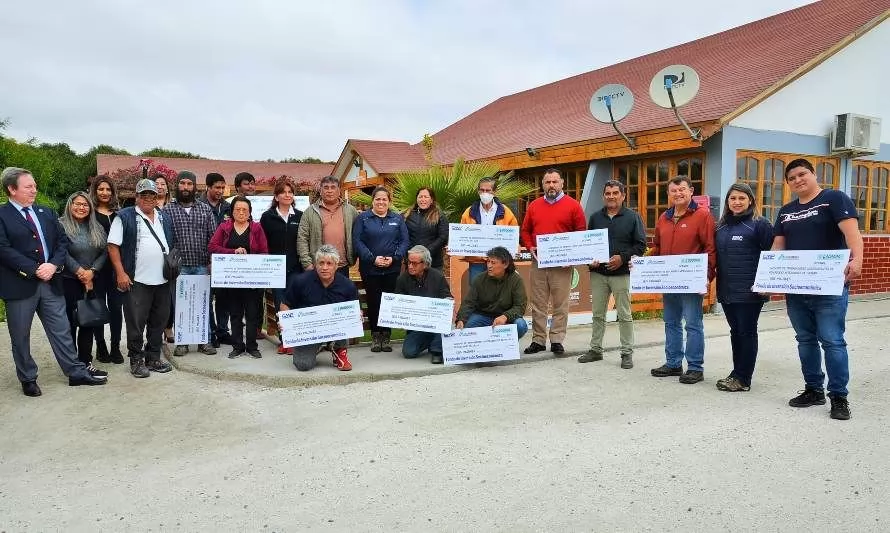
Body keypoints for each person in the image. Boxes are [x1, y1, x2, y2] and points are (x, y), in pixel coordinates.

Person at [0, 167, 108, 396]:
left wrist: (53, 265)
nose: (34, 190)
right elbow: (3, 249)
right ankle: (28, 377)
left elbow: (61, 242)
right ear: (12, 189)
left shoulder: (46, 212)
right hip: (20, 286)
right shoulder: (2, 215)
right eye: (29, 186)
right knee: (20, 336)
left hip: (51, 283)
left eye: (35, 186)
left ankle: (75, 372)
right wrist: (34, 268)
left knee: (61, 330)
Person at [773, 158, 863, 420]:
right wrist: (768, 276)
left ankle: (839, 397)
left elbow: (852, 234)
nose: (798, 180)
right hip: (796, 288)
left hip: (829, 285)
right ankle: (813, 389)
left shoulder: (833, 198)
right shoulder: (786, 210)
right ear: (788, 184)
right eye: (792, 178)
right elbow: (778, 247)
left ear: (813, 174)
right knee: (805, 340)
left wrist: (857, 259)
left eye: (802, 174)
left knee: (832, 340)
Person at [648, 175, 716, 384]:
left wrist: (707, 275)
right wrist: (643, 264)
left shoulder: (702, 215)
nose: (678, 193)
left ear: (691, 191)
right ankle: (673, 363)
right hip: (669, 281)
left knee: (693, 324)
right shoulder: (663, 218)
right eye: (674, 191)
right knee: (671, 322)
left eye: (682, 190)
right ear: (669, 194)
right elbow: (657, 248)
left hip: (691, 282)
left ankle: (695, 367)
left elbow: (710, 248)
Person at [107, 178, 175, 378]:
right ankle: (136, 359)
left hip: (162, 280)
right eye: (143, 195)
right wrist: (120, 272)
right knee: (136, 322)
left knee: (159, 320)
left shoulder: (164, 217)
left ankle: (153, 357)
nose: (147, 199)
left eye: (151, 195)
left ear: (156, 198)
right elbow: (112, 246)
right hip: (137, 280)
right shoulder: (125, 217)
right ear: (136, 197)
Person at [578, 180, 647, 369]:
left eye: (615, 193)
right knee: (598, 314)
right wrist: (589, 259)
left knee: (624, 314)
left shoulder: (633, 217)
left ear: (623, 196)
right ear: (603, 196)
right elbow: (588, 244)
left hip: (621, 273)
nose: (611, 196)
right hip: (598, 274)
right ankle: (595, 350)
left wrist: (622, 258)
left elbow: (641, 245)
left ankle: (626, 353)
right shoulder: (595, 218)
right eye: (608, 193)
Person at [520, 169, 586, 356]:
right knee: (538, 303)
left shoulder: (573, 206)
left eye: (554, 182)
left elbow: (580, 232)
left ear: (562, 183)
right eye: (547, 182)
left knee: (560, 304)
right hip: (539, 262)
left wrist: (572, 257)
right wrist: (530, 246)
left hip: (563, 265)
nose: (551, 185)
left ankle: (557, 340)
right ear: (543, 185)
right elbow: (525, 230)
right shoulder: (534, 206)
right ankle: (538, 340)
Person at [714, 183, 774, 392]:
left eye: (741, 198)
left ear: (750, 200)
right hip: (727, 290)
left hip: (751, 292)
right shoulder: (720, 226)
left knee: (746, 332)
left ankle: (743, 378)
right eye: (733, 198)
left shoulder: (760, 224)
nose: (737, 202)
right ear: (727, 202)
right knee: (735, 331)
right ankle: (736, 373)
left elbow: (771, 257)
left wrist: (767, 285)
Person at [163, 171, 217, 356]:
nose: (185, 187)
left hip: (202, 265)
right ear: (177, 185)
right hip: (179, 268)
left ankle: (205, 341)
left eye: (189, 184)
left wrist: (211, 261)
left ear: (195, 187)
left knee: (204, 305)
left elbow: (213, 238)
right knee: (181, 306)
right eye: (182, 183)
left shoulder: (205, 209)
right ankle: (183, 342)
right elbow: (165, 241)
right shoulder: (168, 211)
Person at [209, 196, 269, 359]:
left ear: (250, 212)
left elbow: (264, 252)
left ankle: (251, 346)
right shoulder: (224, 227)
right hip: (232, 279)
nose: (241, 212)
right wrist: (233, 252)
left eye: (245, 210)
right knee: (235, 314)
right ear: (232, 211)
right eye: (238, 209)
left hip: (252, 280)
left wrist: (250, 258)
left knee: (252, 314)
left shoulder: (256, 228)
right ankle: (237, 346)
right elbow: (212, 247)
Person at [281, 245, 357, 372]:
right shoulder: (300, 281)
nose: (325, 267)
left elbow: (354, 311)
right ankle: (317, 346)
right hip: (308, 332)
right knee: (303, 365)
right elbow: (285, 305)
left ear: (336, 265)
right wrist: (285, 322)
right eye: (321, 263)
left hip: (335, 330)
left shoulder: (347, 286)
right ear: (316, 264)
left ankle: (338, 349)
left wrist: (357, 315)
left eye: (329, 263)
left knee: (345, 318)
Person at [353, 186, 409, 353]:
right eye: (378, 199)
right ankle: (376, 336)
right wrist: (372, 258)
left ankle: (387, 336)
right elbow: (357, 241)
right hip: (370, 268)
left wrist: (395, 257)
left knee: (388, 302)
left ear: (389, 201)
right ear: (373, 201)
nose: (381, 202)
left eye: (384, 199)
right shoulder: (363, 218)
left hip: (392, 268)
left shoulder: (397, 219)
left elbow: (404, 241)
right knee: (373, 301)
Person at [59, 192, 109, 372]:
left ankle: (86, 361)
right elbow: (61, 251)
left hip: (91, 281)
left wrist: (92, 271)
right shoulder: (61, 225)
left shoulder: (96, 226)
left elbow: (105, 251)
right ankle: (71, 363)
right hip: (69, 281)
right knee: (70, 323)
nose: (81, 208)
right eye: (77, 204)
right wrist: (79, 271)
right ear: (70, 205)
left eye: (85, 205)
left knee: (88, 321)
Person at [260, 177, 304, 355]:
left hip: (295, 267)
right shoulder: (267, 217)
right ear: (276, 196)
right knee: (280, 304)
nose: (287, 195)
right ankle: (284, 340)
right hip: (275, 269)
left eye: (290, 192)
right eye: (283, 192)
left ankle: (295, 339)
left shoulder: (301, 216)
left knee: (293, 302)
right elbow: (263, 243)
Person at [395, 245, 453, 364]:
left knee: (444, 324)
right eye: (408, 262)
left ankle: (437, 350)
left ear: (425, 264)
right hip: (417, 325)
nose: (410, 266)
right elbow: (398, 304)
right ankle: (430, 339)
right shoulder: (402, 279)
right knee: (408, 352)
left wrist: (448, 302)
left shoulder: (437, 277)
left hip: (436, 323)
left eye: (414, 263)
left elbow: (448, 297)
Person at [455, 246, 528, 340]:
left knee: (520, 325)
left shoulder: (516, 280)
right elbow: (469, 302)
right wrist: (461, 319)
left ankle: (508, 345)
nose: (489, 265)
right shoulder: (479, 279)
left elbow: (520, 306)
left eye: (493, 263)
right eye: (488, 262)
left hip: (506, 318)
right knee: (467, 326)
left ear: (505, 264)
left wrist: (505, 316)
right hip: (484, 316)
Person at [90, 175, 124, 363]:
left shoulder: (119, 214)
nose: (104, 192)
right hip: (96, 269)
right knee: (98, 309)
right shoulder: (89, 214)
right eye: (101, 189)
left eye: (108, 189)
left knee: (116, 309)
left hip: (116, 269)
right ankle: (101, 345)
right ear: (95, 191)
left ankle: (116, 346)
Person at [297, 175, 359, 278]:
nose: (329, 191)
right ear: (320, 191)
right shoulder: (309, 212)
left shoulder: (351, 211)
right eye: (326, 187)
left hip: (342, 266)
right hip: (319, 266)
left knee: (340, 294)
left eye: (333, 187)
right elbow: (302, 238)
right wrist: (307, 263)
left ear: (339, 190)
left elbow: (358, 236)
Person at [460, 177, 519, 280]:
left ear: (494, 192)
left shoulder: (506, 212)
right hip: (477, 262)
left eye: (488, 190)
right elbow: (461, 237)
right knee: (477, 291)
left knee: (499, 292)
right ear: (478, 191)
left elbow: (514, 235)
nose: (485, 193)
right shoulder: (469, 212)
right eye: (482, 190)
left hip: (499, 262)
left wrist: (515, 246)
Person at [200, 172, 232, 347]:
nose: (220, 191)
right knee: (207, 297)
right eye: (217, 187)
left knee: (223, 298)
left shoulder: (228, 208)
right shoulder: (199, 206)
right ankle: (211, 332)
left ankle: (222, 331)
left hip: (225, 262)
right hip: (205, 261)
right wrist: (208, 260)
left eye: (222, 187)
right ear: (208, 187)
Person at [404, 187, 449, 270]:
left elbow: (443, 236)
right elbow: (403, 235)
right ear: (417, 199)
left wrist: (426, 252)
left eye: (426, 197)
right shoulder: (408, 215)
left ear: (431, 200)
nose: (423, 199)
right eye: (420, 197)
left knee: (433, 283)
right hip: (412, 260)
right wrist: (412, 252)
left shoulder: (439, 215)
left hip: (433, 261)